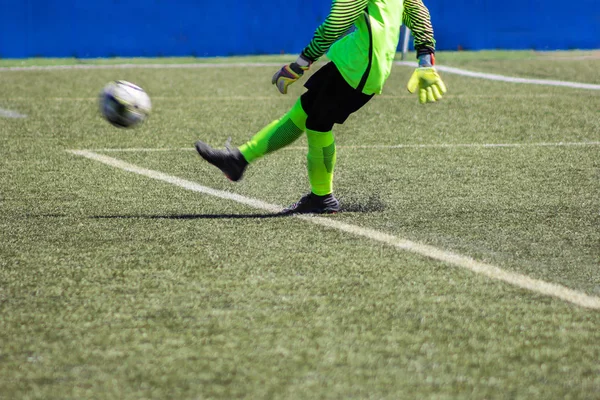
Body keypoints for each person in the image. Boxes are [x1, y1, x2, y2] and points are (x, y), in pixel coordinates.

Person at [195, 0, 446, 214]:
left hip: (358, 69)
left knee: (318, 125)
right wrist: (426, 59)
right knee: (302, 112)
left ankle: (322, 198)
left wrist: (300, 63)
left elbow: (336, 24)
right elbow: (417, 9)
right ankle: (238, 160)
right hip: (350, 59)